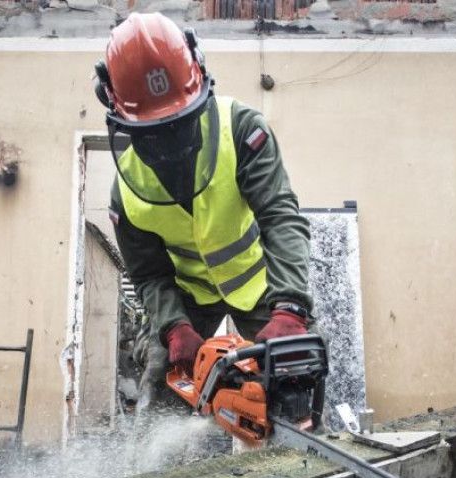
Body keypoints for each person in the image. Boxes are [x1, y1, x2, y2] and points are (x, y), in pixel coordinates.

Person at [94, 13, 314, 402]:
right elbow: (148, 276)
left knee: (298, 373)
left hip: (263, 286)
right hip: (187, 300)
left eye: (178, 125)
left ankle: (308, 442)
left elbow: (280, 218)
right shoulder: (125, 191)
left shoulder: (243, 131)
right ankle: (152, 459)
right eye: (153, 133)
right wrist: (173, 327)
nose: (168, 144)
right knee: (160, 387)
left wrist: (290, 306)